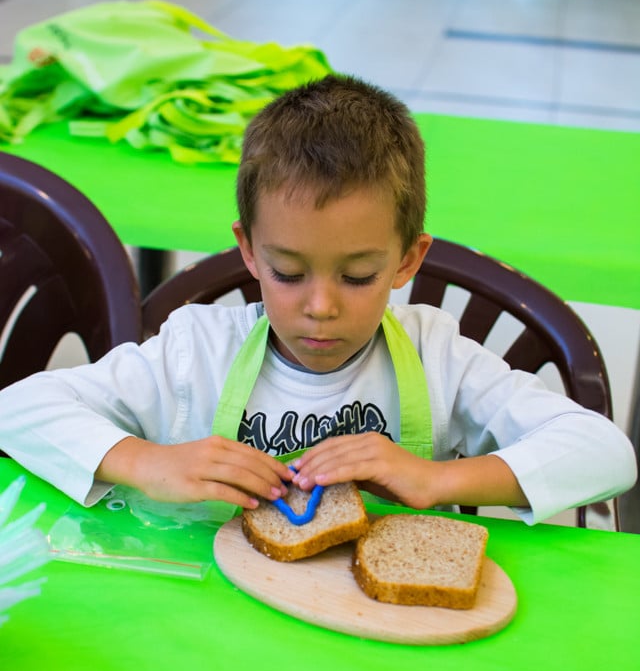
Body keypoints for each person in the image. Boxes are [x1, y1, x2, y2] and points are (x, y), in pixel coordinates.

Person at [0, 75, 635, 524]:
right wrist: (148, 463)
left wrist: (436, 480)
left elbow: (606, 453)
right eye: (287, 272)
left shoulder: (438, 355)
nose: (321, 307)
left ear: (408, 260)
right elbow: (16, 408)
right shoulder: (197, 351)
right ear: (249, 252)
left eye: (358, 277)